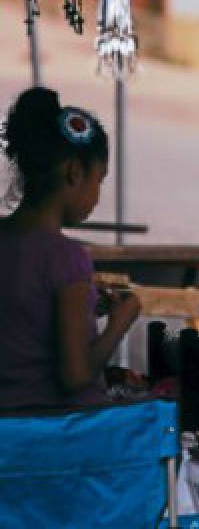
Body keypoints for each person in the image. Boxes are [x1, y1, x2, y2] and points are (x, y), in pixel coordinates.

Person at [0, 87, 141, 410]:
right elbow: (75, 376)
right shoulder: (67, 259)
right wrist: (121, 320)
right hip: (53, 430)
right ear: (74, 173)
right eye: (99, 180)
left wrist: (86, 303)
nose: (96, 195)